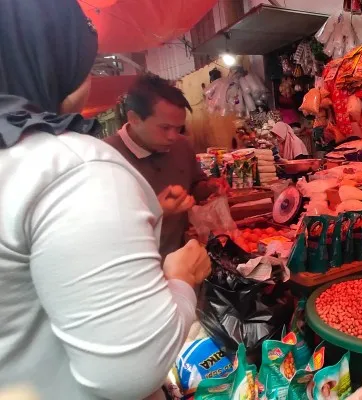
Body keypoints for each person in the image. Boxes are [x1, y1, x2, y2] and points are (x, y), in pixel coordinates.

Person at [0, 1, 211, 399]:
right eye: (85, 59)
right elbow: (134, 369)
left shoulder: (15, 157)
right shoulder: (74, 168)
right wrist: (180, 281)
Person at [105, 74, 219, 259]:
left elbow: (193, 189)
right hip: (132, 267)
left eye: (178, 128)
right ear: (134, 118)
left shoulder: (182, 146)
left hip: (179, 260)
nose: (173, 136)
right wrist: (156, 211)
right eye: (165, 128)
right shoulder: (106, 158)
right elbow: (102, 230)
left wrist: (209, 187)